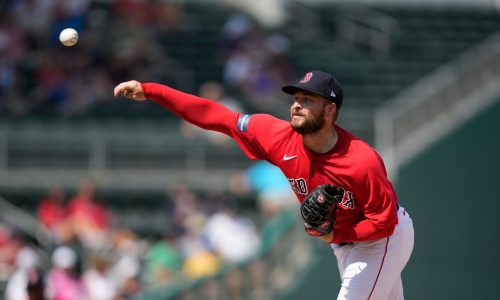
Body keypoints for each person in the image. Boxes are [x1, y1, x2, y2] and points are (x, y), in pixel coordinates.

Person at [113, 70, 415, 299]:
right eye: (296, 99)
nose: (296, 106)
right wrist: (151, 91)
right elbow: (215, 116)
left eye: (307, 100)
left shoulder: (361, 161)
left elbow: (384, 222)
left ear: (330, 110)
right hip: (344, 244)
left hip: (381, 240)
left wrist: (334, 232)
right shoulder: (274, 135)